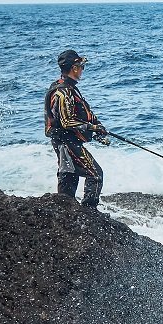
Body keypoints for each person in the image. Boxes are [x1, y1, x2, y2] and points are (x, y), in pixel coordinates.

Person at [44, 48, 110, 209]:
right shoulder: (63, 91)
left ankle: (64, 213)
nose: (82, 70)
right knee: (95, 174)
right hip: (66, 141)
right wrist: (93, 127)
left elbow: (81, 113)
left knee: (69, 176)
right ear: (74, 68)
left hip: (65, 141)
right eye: (81, 66)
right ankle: (90, 213)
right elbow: (67, 122)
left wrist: (97, 129)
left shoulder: (67, 87)